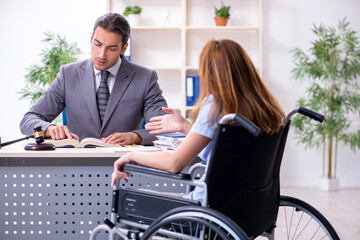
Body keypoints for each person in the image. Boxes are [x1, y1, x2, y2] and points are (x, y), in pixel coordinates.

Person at [111, 39, 286, 203]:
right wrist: (184, 126)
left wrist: (130, 156)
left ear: (209, 73)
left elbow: (174, 163)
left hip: (208, 207)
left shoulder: (215, 106)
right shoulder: (264, 107)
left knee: (131, 203)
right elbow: (222, 146)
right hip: (249, 207)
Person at [20, 13, 167, 145]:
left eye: (112, 48)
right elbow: (28, 120)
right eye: (98, 44)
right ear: (91, 39)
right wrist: (50, 129)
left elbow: (164, 129)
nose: (102, 55)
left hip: (125, 165)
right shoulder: (68, 74)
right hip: (76, 167)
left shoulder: (145, 78)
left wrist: (135, 136)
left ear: (123, 48)